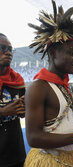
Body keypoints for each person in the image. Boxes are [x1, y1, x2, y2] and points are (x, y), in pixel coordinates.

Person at [24, 1, 73, 166]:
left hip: (68, 159)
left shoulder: (64, 86)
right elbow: (33, 138)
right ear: (53, 53)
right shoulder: (39, 87)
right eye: (71, 53)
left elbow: (61, 123)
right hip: (49, 160)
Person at [0, 33, 26, 167]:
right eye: (2, 48)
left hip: (16, 151)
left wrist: (24, 111)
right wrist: (3, 112)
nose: (8, 52)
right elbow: (5, 112)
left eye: (10, 49)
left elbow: (22, 113)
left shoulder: (17, 80)